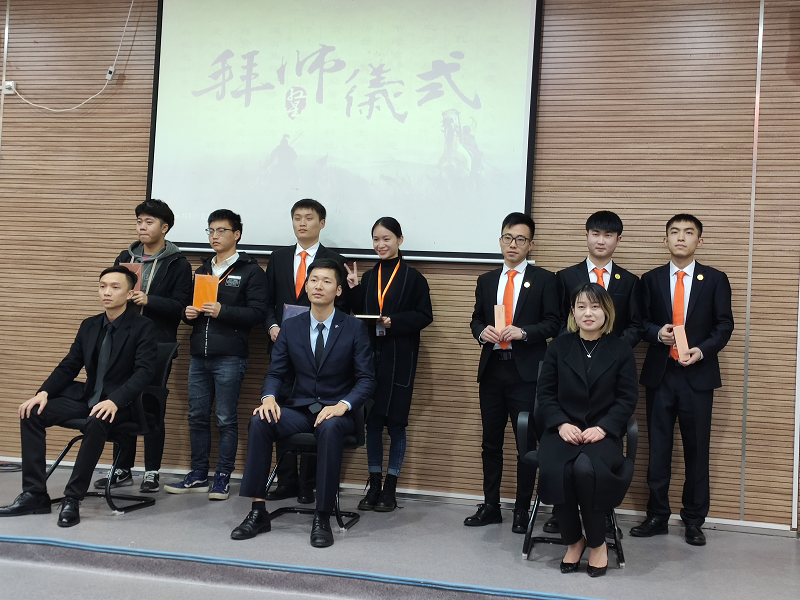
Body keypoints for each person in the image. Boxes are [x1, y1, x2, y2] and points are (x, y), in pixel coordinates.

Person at [231, 259, 375, 548]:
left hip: (337, 412)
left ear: (338, 290)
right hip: (301, 410)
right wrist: (268, 398)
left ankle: (322, 516)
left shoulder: (354, 328)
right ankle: (257, 511)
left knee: (330, 427)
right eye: (314, 280)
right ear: (306, 286)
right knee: (260, 420)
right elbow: (276, 372)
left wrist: (343, 405)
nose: (318, 286)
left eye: (327, 281)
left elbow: (367, 380)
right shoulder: (291, 326)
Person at [0, 266, 157, 527]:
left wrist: (115, 401)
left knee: (97, 420)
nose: (107, 292)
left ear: (130, 293)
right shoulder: (90, 325)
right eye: (102, 286)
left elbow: (144, 373)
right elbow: (69, 365)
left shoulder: (144, 327)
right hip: (88, 399)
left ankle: (73, 498)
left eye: (115, 287)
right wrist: (43, 393)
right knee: (32, 413)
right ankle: (35, 494)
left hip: (122, 405)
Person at [631, 214, 733, 546]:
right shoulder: (650, 279)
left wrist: (701, 351)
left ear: (699, 241)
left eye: (688, 232)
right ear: (665, 240)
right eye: (674, 232)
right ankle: (657, 515)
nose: (681, 237)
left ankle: (693, 520)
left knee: (697, 449)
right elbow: (640, 322)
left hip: (697, 375)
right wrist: (655, 333)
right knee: (658, 448)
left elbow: (724, 325)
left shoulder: (715, 279)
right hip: (661, 375)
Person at [546, 210, 642, 534]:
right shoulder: (564, 276)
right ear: (586, 235)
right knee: (562, 462)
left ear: (618, 240)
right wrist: (575, 345)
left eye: (608, 235)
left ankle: (596, 529)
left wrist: (610, 349)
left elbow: (636, 324)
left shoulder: (630, 281)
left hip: (607, 376)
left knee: (591, 465)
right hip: (572, 366)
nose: (601, 240)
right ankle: (566, 520)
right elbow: (556, 321)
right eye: (595, 233)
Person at [465, 212, 561, 533]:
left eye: (521, 239)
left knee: (525, 444)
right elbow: (476, 319)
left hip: (526, 375)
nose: (513, 244)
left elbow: (554, 322)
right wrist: (482, 333)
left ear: (530, 244)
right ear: (500, 240)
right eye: (508, 237)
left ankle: (522, 509)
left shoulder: (545, 279)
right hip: (492, 370)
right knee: (490, 443)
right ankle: (491, 506)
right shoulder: (487, 279)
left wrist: (524, 332)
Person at [536, 283, 638, 577]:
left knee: (584, 469)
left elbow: (627, 398)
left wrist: (604, 427)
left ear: (606, 311)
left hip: (602, 434)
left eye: (595, 307)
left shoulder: (620, 349)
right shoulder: (559, 347)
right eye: (581, 307)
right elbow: (545, 394)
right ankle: (573, 541)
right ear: (573, 312)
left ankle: (597, 543)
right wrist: (561, 423)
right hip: (562, 431)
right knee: (560, 469)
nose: (588, 313)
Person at [165, 209, 268, 500]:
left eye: (221, 230)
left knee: (225, 418)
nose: (214, 236)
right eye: (210, 230)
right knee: (196, 416)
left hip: (230, 356)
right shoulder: (202, 270)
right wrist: (187, 314)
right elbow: (191, 308)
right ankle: (198, 473)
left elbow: (258, 313)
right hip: (199, 354)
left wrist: (225, 311)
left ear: (237, 234)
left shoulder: (251, 271)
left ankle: (222, 476)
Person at [93, 198, 192, 493]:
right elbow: (112, 290)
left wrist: (150, 300)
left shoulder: (177, 263)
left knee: (150, 405)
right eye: (139, 222)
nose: (142, 227)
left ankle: (151, 471)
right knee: (119, 400)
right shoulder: (126, 256)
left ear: (165, 227)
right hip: (122, 339)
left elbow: (181, 307)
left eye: (149, 222)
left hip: (158, 344)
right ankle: (122, 468)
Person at [262, 198, 349, 505]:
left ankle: (308, 484)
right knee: (279, 410)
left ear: (321, 223)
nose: (302, 223)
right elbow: (267, 300)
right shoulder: (278, 257)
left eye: (308, 218)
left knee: (316, 409)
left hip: (320, 351)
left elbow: (343, 306)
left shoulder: (334, 259)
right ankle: (286, 480)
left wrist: (354, 287)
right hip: (282, 345)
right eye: (297, 217)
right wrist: (272, 326)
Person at [345, 217, 433, 511]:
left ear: (399, 240)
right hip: (370, 359)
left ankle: (391, 488)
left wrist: (395, 321)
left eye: (386, 239)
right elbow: (359, 312)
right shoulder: (369, 277)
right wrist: (354, 289)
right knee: (372, 423)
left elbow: (425, 316)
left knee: (395, 424)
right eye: (376, 239)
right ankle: (374, 484)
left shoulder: (414, 278)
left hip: (400, 359)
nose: (380, 245)